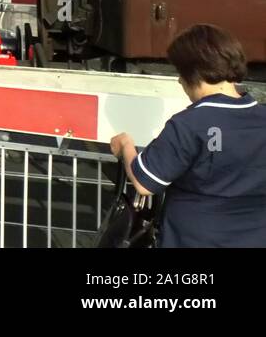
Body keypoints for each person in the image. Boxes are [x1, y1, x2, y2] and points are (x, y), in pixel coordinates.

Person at [110, 23, 266, 247]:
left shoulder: (189, 124)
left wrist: (125, 145)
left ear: (193, 72)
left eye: (180, 73)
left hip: (193, 239)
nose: (179, 81)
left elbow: (145, 182)